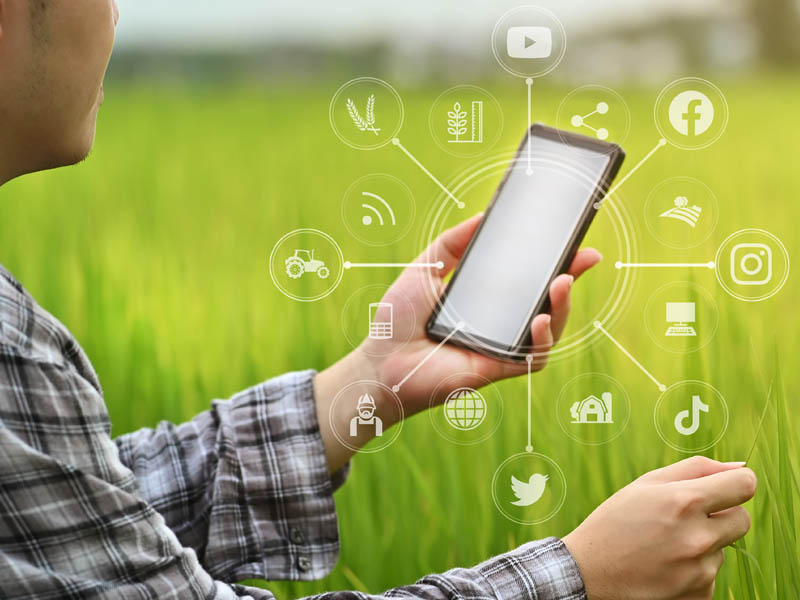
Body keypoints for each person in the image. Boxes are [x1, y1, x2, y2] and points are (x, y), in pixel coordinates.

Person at [0, 1, 757, 599]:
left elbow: (75, 527)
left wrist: (366, 381)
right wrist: (584, 577)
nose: (118, 14)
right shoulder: (10, 347)